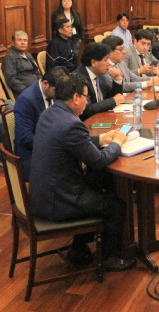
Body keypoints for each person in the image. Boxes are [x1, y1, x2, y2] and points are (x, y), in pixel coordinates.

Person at [29, 73, 134, 271]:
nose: (88, 102)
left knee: (101, 180)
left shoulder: (50, 113)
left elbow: (69, 144)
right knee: (116, 206)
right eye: (86, 97)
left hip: (42, 194)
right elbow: (99, 160)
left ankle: (78, 249)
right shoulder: (72, 124)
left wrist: (101, 139)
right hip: (59, 201)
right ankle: (110, 258)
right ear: (76, 97)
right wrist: (118, 142)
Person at [13, 66, 68, 181]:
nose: (60, 95)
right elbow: (25, 138)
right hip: (32, 153)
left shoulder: (52, 93)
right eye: (57, 91)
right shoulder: (26, 100)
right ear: (45, 83)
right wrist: (54, 145)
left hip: (52, 144)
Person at [74, 42, 125, 120]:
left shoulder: (100, 75)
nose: (108, 64)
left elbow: (114, 98)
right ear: (94, 62)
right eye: (105, 60)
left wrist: (117, 80)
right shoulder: (78, 79)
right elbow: (86, 110)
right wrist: (113, 101)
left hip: (101, 120)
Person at [1, 30, 42, 99]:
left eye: (25, 40)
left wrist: (43, 84)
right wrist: (28, 90)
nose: (23, 43)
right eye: (19, 40)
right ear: (13, 43)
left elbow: (36, 72)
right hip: (25, 93)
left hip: (37, 88)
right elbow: (11, 80)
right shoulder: (10, 58)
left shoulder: (28, 55)